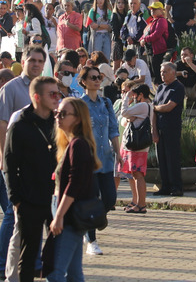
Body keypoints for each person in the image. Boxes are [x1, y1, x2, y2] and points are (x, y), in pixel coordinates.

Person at [3, 76, 61, 282]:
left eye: (58, 93)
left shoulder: (58, 123)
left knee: (57, 255)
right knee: (28, 257)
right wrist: (16, 199)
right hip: (30, 199)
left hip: (55, 200)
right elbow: (9, 164)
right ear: (37, 97)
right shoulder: (20, 126)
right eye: (52, 94)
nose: (57, 98)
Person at [45, 97, 103, 282]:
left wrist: (59, 216)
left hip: (69, 213)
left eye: (63, 114)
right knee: (74, 273)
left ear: (78, 118)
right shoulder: (72, 144)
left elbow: (74, 185)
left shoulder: (78, 145)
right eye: (56, 113)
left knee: (55, 273)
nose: (58, 118)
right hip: (67, 211)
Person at [77, 65, 120, 255]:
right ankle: (91, 240)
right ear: (84, 81)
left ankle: (91, 221)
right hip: (88, 160)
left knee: (110, 199)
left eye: (99, 77)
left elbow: (113, 129)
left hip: (106, 159)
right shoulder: (79, 104)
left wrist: (119, 152)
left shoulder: (106, 103)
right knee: (92, 199)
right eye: (93, 77)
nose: (97, 80)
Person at [118, 81, 157, 214]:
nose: (132, 98)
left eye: (134, 95)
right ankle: (140, 203)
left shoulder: (142, 106)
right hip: (141, 145)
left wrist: (125, 98)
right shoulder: (148, 106)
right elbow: (125, 120)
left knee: (138, 175)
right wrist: (130, 117)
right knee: (136, 174)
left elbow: (123, 113)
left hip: (137, 146)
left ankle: (141, 204)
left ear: (140, 95)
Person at [153, 62, 185, 196]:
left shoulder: (178, 87)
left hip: (172, 127)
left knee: (172, 158)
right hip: (159, 127)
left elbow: (168, 107)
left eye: (165, 71)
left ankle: (176, 187)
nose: (162, 74)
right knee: (162, 158)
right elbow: (153, 111)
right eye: (161, 72)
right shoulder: (160, 88)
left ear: (173, 72)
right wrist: (153, 130)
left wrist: (154, 108)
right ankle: (165, 186)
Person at [140, 1, 171, 74]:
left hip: (158, 51)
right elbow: (145, 33)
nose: (152, 10)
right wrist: (141, 39)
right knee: (152, 72)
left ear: (161, 10)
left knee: (157, 72)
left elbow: (157, 34)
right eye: (151, 9)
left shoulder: (162, 20)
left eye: (154, 9)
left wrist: (145, 39)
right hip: (151, 51)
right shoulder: (152, 21)